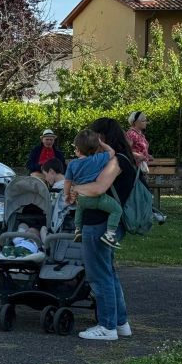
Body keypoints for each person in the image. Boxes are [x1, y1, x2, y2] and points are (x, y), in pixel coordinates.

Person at [69, 117, 135, 341]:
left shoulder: (116, 162)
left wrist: (73, 189)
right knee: (109, 273)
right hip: (105, 223)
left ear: (101, 138)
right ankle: (120, 322)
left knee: (99, 275)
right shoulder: (119, 158)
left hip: (99, 223)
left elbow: (98, 188)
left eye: (92, 136)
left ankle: (107, 326)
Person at [65, 130, 123, 249]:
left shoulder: (72, 164)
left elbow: (67, 182)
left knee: (79, 209)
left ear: (77, 148)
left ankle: (78, 230)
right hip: (96, 198)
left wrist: (67, 195)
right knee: (117, 210)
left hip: (81, 198)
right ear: (96, 147)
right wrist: (102, 144)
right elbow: (112, 152)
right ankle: (110, 234)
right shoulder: (98, 159)